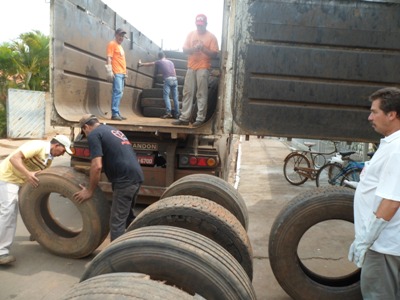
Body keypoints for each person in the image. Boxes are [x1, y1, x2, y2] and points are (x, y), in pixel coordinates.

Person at [348, 87, 400, 299]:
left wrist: (365, 241)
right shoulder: (390, 144)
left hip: (384, 246)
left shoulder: (397, 150)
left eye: (374, 111)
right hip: (383, 243)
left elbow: (391, 202)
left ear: (392, 114)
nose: (370, 117)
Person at [0, 135, 72, 265]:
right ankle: (1, 252)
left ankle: (37, 231)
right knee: (8, 213)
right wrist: (28, 174)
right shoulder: (37, 146)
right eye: (63, 150)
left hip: (22, 181)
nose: (63, 154)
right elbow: (14, 159)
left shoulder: (48, 159)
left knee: (32, 206)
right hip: (7, 178)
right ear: (56, 145)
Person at [73, 114, 144, 241]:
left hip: (125, 181)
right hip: (136, 176)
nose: (86, 136)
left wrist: (90, 191)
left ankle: (116, 257)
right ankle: (138, 244)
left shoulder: (94, 134)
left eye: (84, 133)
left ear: (85, 127)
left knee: (116, 223)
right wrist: (85, 171)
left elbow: (97, 166)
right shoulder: (112, 129)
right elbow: (111, 159)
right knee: (127, 217)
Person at [172, 14, 219, 127]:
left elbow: (214, 54)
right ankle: (184, 118)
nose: (200, 27)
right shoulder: (191, 34)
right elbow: (184, 50)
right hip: (191, 66)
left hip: (203, 67)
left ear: (206, 24)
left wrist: (203, 48)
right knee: (187, 92)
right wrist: (193, 49)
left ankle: (200, 118)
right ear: (196, 24)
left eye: (202, 25)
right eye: (198, 25)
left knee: (201, 93)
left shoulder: (211, 37)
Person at [139, 51, 180, 119]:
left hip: (168, 79)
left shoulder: (160, 61)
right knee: (175, 98)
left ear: (159, 57)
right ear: (165, 56)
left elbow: (150, 64)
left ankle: (168, 112)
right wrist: (174, 79)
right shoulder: (171, 62)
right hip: (175, 79)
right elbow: (174, 71)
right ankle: (177, 114)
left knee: (166, 96)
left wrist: (141, 64)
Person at [106, 28, 127, 121]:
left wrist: (125, 73)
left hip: (122, 73)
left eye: (122, 36)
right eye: (120, 35)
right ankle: (114, 113)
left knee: (120, 93)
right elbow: (109, 57)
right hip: (117, 72)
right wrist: (110, 70)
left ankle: (117, 112)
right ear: (116, 35)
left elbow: (121, 60)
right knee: (117, 92)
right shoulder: (112, 44)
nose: (121, 37)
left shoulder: (120, 47)